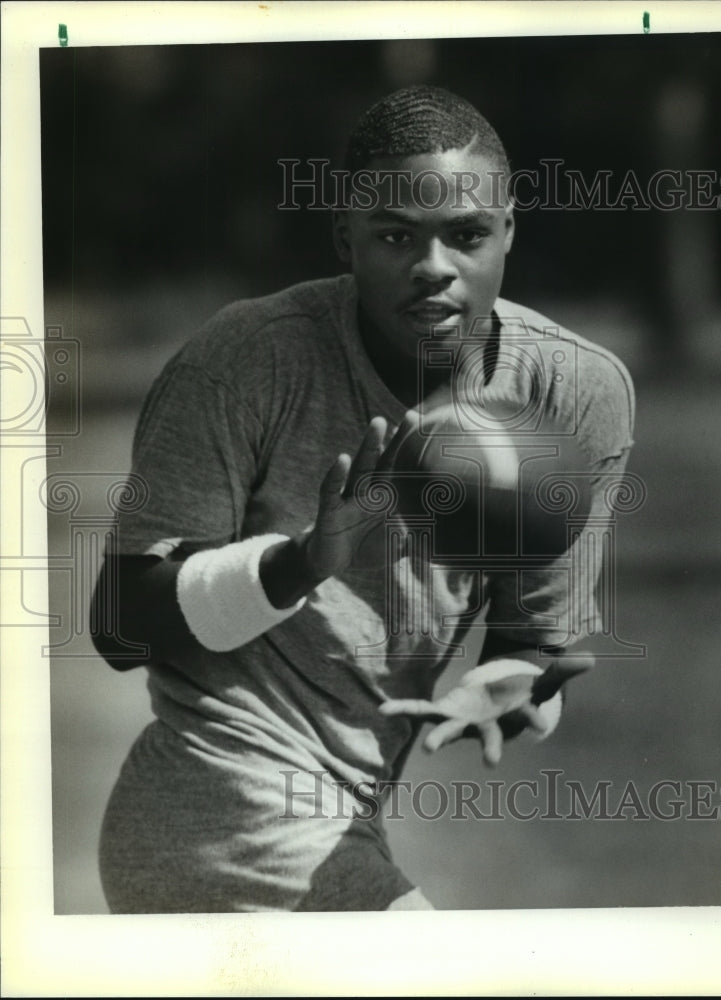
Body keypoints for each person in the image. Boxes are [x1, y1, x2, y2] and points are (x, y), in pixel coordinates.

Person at [91, 85, 635, 912]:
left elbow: (530, 640)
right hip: (212, 807)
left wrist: (515, 683)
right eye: (394, 236)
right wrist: (298, 563)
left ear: (507, 233)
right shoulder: (245, 362)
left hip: (348, 813)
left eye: (466, 235)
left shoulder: (573, 392)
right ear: (341, 237)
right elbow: (117, 625)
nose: (433, 268)